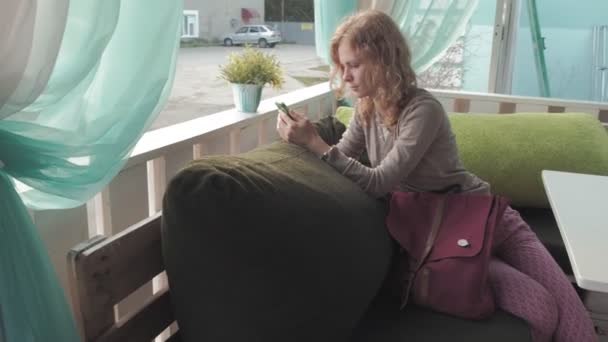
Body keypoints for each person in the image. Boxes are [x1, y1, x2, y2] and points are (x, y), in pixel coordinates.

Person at [276, 9, 597, 342]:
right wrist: (305, 141)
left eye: (354, 65)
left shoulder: (422, 109)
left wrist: (314, 143)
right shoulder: (365, 109)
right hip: (440, 235)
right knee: (541, 308)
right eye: (342, 67)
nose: (347, 76)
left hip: (483, 216)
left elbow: (379, 180)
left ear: (385, 59)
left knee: (572, 313)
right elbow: (343, 156)